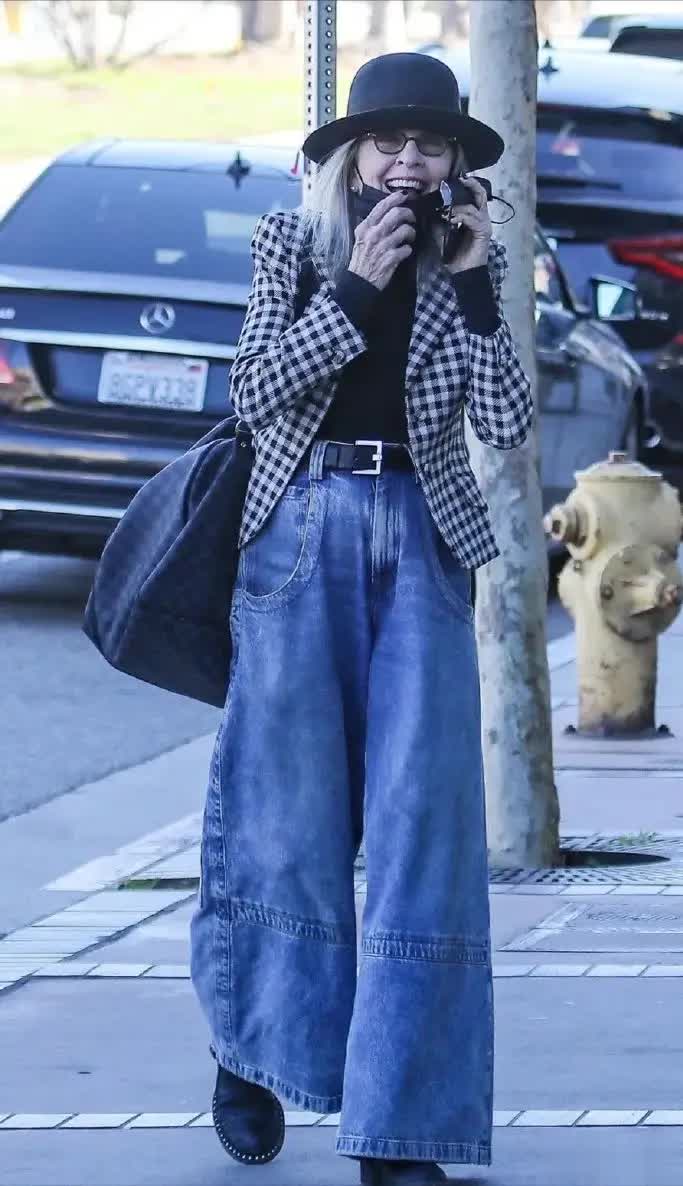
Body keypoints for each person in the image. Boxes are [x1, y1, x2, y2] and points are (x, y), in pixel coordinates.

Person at [190, 51, 533, 1186]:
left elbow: (507, 424)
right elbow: (252, 392)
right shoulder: (291, 246)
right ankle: (251, 1052)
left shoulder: (470, 259)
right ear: (349, 156)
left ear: (452, 164)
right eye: (387, 142)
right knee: (284, 817)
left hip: (424, 544)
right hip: (299, 533)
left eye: (428, 145)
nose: (406, 163)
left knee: (422, 832)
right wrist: (354, 290)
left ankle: (400, 1122)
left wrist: (474, 286)